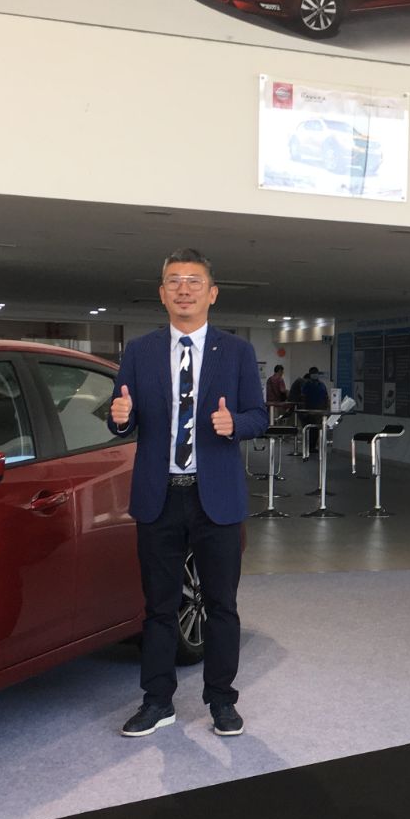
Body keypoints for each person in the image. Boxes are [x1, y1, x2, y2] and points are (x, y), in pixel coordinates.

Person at [109, 249, 268, 738]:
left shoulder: (236, 352)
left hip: (215, 496)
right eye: (174, 281)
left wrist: (235, 424)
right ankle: (157, 701)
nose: (184, 289)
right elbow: (122, 415)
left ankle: (221, 699)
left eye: (194, 281)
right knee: (159, 607)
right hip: (159, 497)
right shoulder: (140, 352)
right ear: (162, 293)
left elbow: (259, 416)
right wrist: (120, 419)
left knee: (221, 605)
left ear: (211, 293)